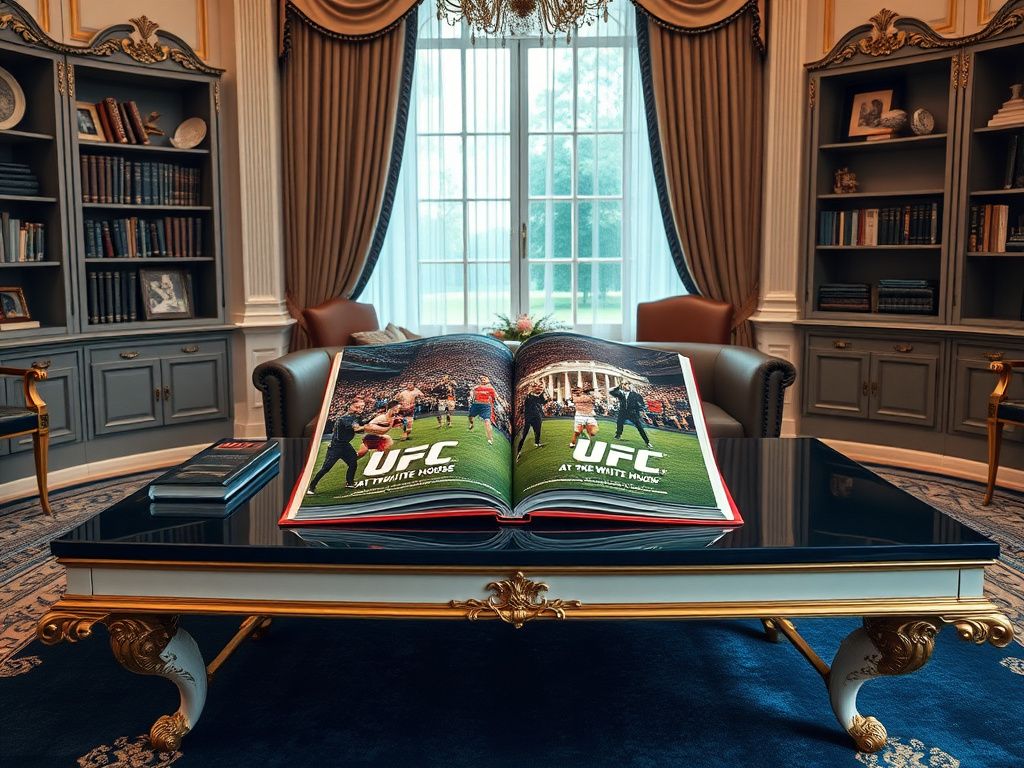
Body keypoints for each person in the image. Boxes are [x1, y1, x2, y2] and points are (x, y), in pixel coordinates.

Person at [307, 399, 367, 494]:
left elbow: (362, 427)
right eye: (357, 407)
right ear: (349, 406)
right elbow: (357, 429)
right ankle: (311, 487)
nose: (360, 409)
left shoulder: (356, 417)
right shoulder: (345, 418)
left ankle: (350, 483)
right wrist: (371, 426)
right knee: (326, 468)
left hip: (346, 446)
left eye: (362, 407)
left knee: (353, 463)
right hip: (336, 447)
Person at [609, 380, 652, 448]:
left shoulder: (635, 395)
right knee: (619, 423)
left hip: (632, 413)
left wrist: (643, 414)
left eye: (628, 384)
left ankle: (647, 442)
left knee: (639, 427)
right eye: (626, 384)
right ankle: (618, 435)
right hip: (622, 412)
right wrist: (619, 386)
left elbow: (641, 405)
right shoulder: (621, 394)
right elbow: (611, 391)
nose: (627, 386)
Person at [517, 380, 548, 461]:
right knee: (524, 435)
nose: (538, 388)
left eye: (539, 387)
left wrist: (543, 391)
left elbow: (544, 402)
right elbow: (533, 399)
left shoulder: (538, 395)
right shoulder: (528, 396)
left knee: (537, 431)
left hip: (537, 417)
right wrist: (541, 389)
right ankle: (518, 451)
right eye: (535, 386)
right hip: (527, 417)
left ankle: (537, 443)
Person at [468, 374, 497, 445]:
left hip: (486, 406)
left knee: (487, 421)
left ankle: (490, 439)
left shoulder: (491, 389)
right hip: (476, 404)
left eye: (485, 378)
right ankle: (471, 424)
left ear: (488, 380)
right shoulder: (476, 387)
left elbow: (494, 397)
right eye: (482, 378)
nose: (483, 379)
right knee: (470, 417)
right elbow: (472, 392)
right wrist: (471, 395)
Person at [569, 383, 599, 448]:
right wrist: (575, 392)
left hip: (589, 415)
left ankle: (585, 428)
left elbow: (592, 400)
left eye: (588, 386)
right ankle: (572, 443)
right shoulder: (577, 395)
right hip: (579, 415)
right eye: (585, 386)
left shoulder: (591, 396)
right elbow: (572, 398)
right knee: (577, 432)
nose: (586, 387)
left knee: (593, 433)